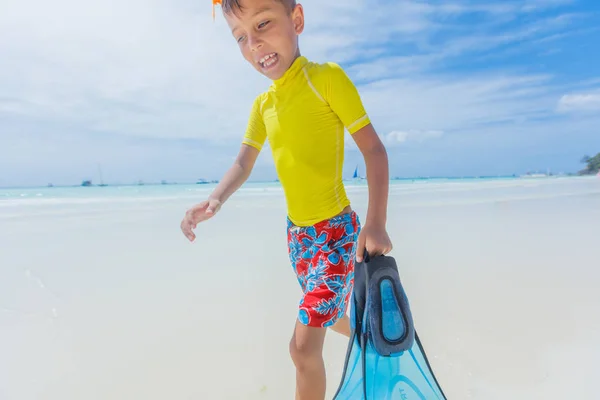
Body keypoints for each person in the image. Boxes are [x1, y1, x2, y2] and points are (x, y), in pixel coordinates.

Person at [181, 0, 393, 398]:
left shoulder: (326, 79)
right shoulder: (263, 106)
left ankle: (373, 334)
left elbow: (374, 151)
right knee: (326, 318)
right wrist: (214, 201)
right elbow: (243, 162)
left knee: (301, 347)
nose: (254, 44)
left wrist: (375, 222)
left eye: (263, 24)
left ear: (296, 19)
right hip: (299, 238)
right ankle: (377, 330)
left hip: (336, 234)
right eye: (241, 37)